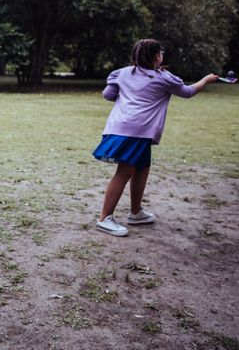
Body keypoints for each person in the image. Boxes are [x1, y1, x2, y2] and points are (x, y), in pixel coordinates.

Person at [93, 38, 218, 237]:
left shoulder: (121, 73)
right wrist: (206, 80)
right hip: (136, 131)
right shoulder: (163, 78)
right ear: (156, 57)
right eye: (161, 53)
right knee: (124, 173)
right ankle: (104, 218)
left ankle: (136, 213)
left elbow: (108, 95)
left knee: (142, 168)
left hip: (123, 128)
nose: (162, 56)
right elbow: (187, 92)